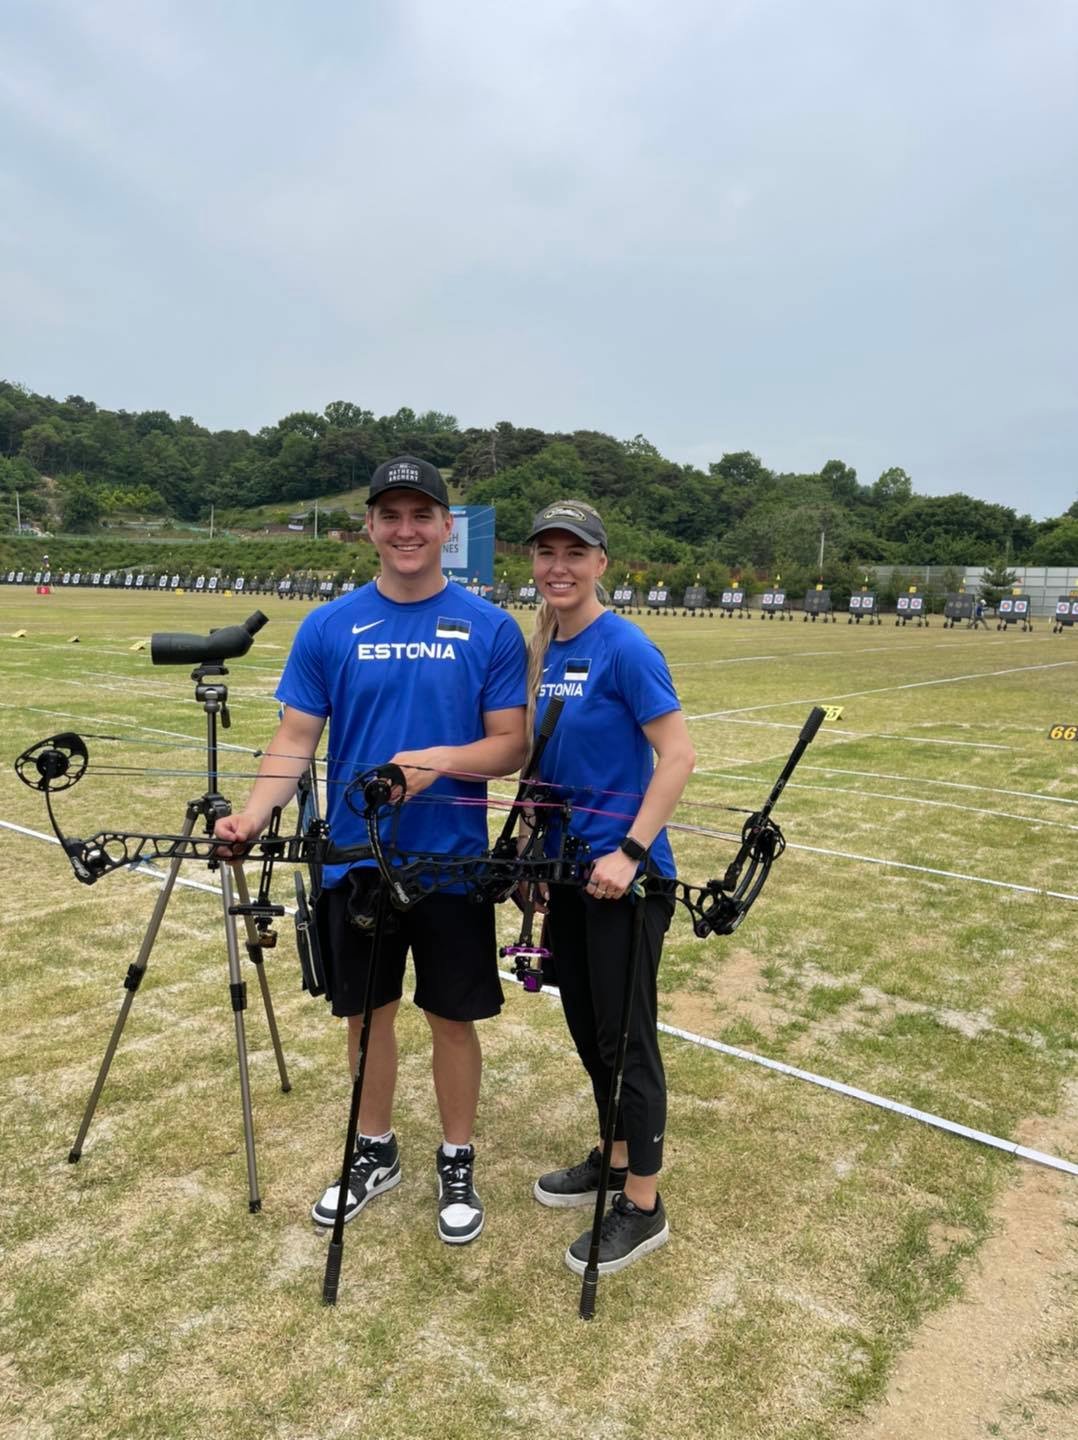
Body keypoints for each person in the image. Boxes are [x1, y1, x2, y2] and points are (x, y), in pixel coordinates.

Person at [214, 456, 527, 1244]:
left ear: (446, 528)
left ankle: (457, 1155)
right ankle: (373, 1147)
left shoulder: (489, 627)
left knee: (453, 1019)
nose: (406, 529)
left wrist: (439, 763)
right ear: (370, 528)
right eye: (391, 515)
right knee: (366, 1015)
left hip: (450, 862)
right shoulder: (330, 626)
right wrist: (251, 816)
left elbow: (511, 746)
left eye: (422, 515)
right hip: (354, 861)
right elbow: (294, 739)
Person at [523, 500, 695, 1276]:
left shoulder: (625, 647)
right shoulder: (544, 652)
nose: (559, 565)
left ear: (601, 562)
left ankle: (645, 1206)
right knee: (591, 1029)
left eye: (575, 552)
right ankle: (615, 1153)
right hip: (566, 873)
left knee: (628, 1042)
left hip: (625, 879)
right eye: (546, 552)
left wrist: (629, 850)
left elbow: (679, 756)